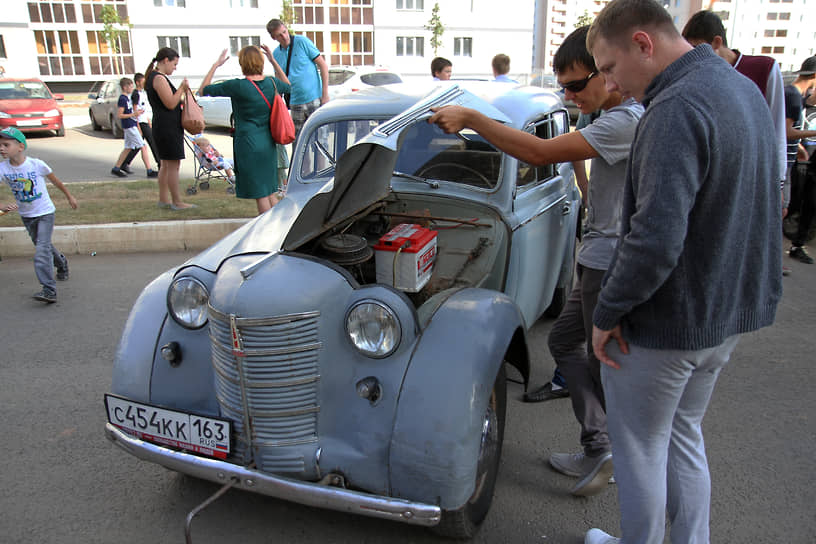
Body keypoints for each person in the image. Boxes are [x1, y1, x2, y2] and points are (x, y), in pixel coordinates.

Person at [583, 0, 782, 542]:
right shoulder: (740, 87)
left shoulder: (673, 109)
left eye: (608, 68)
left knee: (640, 447)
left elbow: (653, 239)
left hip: (671, 320)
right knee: (683, 436)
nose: (612, 85)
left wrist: (607, 313)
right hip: (726, 315)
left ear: (643, 44)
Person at [429, 26, 643, 498]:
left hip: (612, 263)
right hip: (598, 253)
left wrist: (471, 118)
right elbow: (579, 159)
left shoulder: (626, 120)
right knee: (568, 341)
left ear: (608, 72)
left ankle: (619, 453)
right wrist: (590, 201)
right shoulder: (603, 116)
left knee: (611, 363)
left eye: (576, 84)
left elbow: (540, 151)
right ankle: (599, 443)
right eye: (562, 86)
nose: (568, 94)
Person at [681, 10, 791, 275]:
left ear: (717, 43)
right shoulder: (695, 75)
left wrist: (778, 183)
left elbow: (777, 130)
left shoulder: (763, 69)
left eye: (698, 48)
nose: (692, 57)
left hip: (754, 175)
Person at [200, 47, 291, 215]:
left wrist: (216, 65)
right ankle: (277, 228)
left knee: (260, 194)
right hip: (268, 143)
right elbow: (288, 86)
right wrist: (273, 61)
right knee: (270, 190)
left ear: (243, 63)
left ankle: (266, 230)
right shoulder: (272, 82)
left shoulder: (238, 86)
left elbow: (203, 90)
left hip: (248, 142)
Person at [0, 127, 78, 304]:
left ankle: (49, 290)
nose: (1, 148)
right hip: (27, 215)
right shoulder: (3, 169)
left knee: (41, 250)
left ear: (20, 146)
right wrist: (2, 205)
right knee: (43, 245)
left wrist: (69, 196)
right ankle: (62, 263)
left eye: (6, 144)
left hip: (45, 213)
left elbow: (56, 181)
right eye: (0, 145)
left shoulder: (36, 165)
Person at [144, 46, 195, 210]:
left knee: (165, 165)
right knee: (173, 165)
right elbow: (170, 103)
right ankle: (177, 201)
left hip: (162, 125)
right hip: (168, 127)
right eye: (174, 64)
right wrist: (182, 88)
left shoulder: (154, 77)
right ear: (165, 60)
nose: (175, 67)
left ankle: (164, 199)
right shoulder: (159, 78)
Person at [263, 19, 328, 139]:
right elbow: (280, 79)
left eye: (284, 32)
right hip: (295, 102)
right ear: (274, 37)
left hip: (314, 98)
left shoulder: (302, 42)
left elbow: (322, 65)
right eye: (279, 35)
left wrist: (325, 95)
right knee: (299, 141)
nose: (284, 36)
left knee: (321, 139)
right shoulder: (276, 54)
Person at [784, 56, 816, 264]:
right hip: (784, 161)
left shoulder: (792, 94)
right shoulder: (793, 96)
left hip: (787, 159)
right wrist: (808, 133)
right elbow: (786, 132)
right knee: (783, 208)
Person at [110, 78, 157, 179]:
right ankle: (149, 170)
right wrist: (133, 114)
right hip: (129, 126)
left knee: (128, 148)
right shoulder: (122, 99)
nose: (132, 88)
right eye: (130, 86)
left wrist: (136, 115)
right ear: (125, 87)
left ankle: (116, 168)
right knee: (143, 146)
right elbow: (120, 115)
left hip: (132, 125)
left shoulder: (127, 98)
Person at [132, 72, 161, 172]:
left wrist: (149, 121)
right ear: (137, 82)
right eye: (142, 82)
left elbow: (145, 109)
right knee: (153, 142)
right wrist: (137, 126)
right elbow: (135, 110)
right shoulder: (135, 94)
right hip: (141, 122)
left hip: (145, 120)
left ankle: (124, 163)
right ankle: (160, 163)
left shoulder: (143, 93)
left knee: (136, 145)